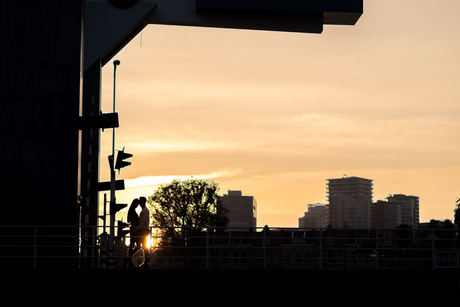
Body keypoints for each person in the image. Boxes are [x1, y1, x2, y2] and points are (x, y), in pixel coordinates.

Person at [125, 198, 140, 268]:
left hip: (133, 230)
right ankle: (128, 260)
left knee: (132, 245)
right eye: (136, 203)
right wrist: (139, 224)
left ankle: (128, 260)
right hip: (134, 230)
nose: (137, 205)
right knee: (137, 246)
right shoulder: (132, 211)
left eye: (138, 204)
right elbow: (133, 221)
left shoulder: (131, 210)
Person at [138, 196, 150, 266]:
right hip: (143, 230)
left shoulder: (145, 210)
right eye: (140, 201)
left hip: (143, 230)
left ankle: (146, 261)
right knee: (144, 246)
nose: (140, 203)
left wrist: (138, 228)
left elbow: (144, 221)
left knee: (144, 246)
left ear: (144, 202)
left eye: (141, 201)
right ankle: (146, 261)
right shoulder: (144, 210)